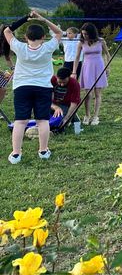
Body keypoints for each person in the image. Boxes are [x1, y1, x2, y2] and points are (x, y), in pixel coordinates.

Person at [4, 11, 62, 164]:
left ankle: (16, 154)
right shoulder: (48, 47)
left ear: (25, 37)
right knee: (42, 120)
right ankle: (43, 151)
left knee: (20, 121)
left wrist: (25, 19)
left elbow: (7, 30)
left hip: (22, 87)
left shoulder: (19, 47)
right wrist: (43, 19)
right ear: (43, 37)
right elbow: (58, 32)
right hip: (43, 87)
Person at [72, 23, 110, 126]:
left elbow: (107, 54)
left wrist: (108, 67)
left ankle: (95, 116)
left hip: (99, 67)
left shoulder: (101, 41)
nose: (84, 36)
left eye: (87, 34)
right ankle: (87, 115)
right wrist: (74, 72)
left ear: (92, 33)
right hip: (87, 68)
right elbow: (76, 58)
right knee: (88, 94)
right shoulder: (81, 43)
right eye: (83, 34)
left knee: (98, 93)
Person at [51, 67, 82, 134]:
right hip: (53, 104)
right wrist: (55, 107)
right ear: (56, 77)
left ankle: (77, 126)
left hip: (66, 105)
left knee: (61, 121)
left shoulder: (74, 84)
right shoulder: (52, 80)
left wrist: (66, 118)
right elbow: (47, 99)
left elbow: (74, 103)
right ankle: (74, 117)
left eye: (64, 82)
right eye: (59, 82)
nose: (61, 84)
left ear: (69, 77)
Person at [0, 24, 15, 108]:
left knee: (3, 89)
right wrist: (2, 73)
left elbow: (7, 58)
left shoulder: (6, 43)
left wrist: (14, 69)